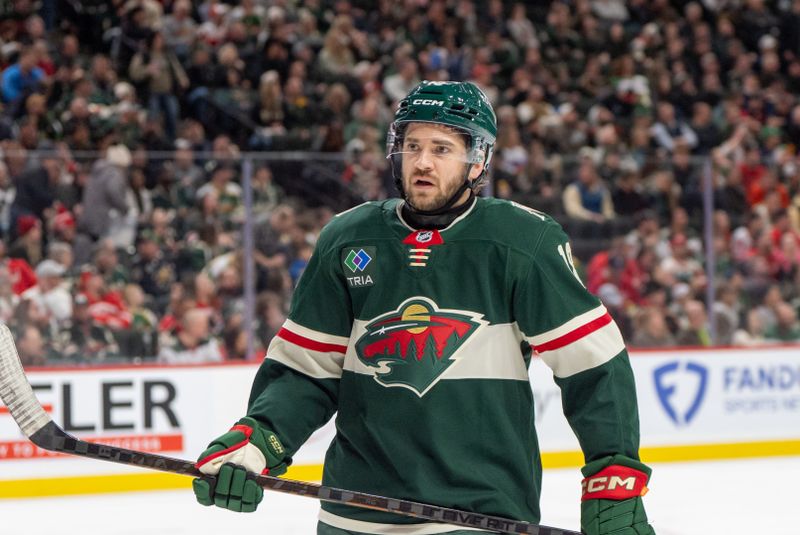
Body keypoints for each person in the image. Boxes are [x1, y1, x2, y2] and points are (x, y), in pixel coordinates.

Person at [192, 81, 655, 535]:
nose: (423, 162)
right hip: (354, 513)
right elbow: (306, 368)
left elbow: (594, 365)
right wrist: (258, 440)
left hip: (481, 512)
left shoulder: (521, 242)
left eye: (441, 148)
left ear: (478, 161)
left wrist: (613, 476)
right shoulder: (347, 238)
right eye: (412, 145)